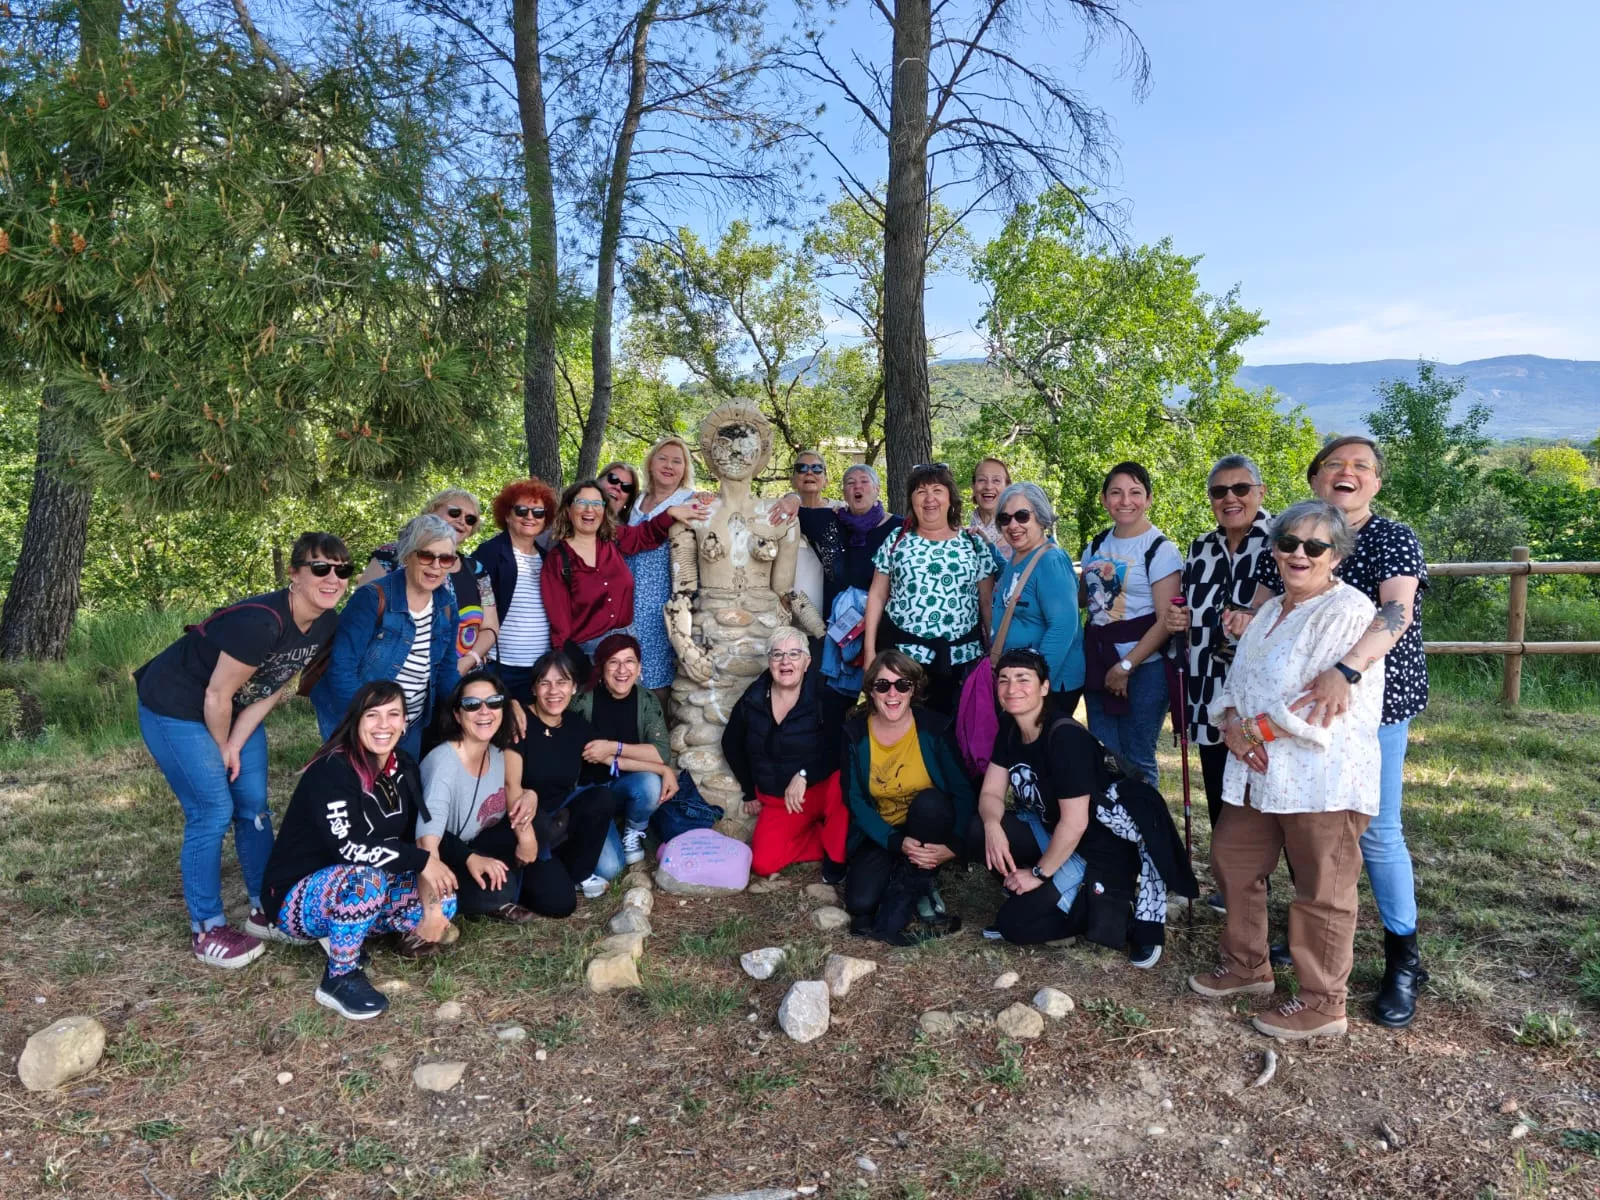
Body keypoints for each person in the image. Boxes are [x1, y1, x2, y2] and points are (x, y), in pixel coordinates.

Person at [1187, 500, 1381, 1040]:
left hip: (1319, 775)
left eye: (1314, 546)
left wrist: (1257, 731)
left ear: (1335, 555)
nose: (1299, 554)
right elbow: (1239, 680)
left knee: (1322, 888)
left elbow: (1321, 698)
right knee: (1233, 859)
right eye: (1289, 542)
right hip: (1255, 770)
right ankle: (1247, 966)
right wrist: (1229, 723)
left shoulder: (1347, 611)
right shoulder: (1271, 611)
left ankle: (1323, 1002)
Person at [136, 531, 352, 968]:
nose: (333, 578)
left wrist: (236, 742)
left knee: (253, 805)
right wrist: (221, 749)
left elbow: (274, 687)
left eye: (341, 570)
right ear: (294, 574)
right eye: (320, 568)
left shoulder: (327, 622)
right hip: (177, 704)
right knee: (212, 809)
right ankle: (207, 928)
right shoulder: (262, 622)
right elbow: (216, 695)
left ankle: (267, 907)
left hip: (233, 708)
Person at [1306, 435, 1431, 1028]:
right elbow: (1267, 608)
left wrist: (1347, 670)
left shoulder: (1391, 538)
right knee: (1320, 825)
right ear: (1315, 479)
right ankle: (1323, 941)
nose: (1346, 473)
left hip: (1372, 707)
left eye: (1360, 467)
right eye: (1334, 464)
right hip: (1313, 708)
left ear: (1376, 484)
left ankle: (1403, 960)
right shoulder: (1305, 533)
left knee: (1378, 831)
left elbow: (1396, 614)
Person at [261, 681, 458, 1019]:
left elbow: (417, 833)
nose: (384, 725)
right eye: (373, 715)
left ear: (405, 722)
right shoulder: (333, 769)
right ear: (356, 720)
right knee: (366, 881)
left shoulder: (404, 766)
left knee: (445, 898)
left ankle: (348, 931)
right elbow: (348, 848)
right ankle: (338, 977)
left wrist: (437, 893)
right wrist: (421, 861)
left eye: (393, 714)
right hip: (297, 895)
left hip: (366, 882)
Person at [1162, 455, 1281, 913]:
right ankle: (1236, 885)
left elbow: (1271, 619)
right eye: (1219, 491)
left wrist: (1212, 628)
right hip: (1208, 687)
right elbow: (1191, 616)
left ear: (1260, 491)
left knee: (1266, 788)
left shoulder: (1283, 541)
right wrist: (1179, 621)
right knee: (1220, 787)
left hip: (1260, 692)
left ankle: (1267, 889)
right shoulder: (1200, 548)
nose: (1230, 498)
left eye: (1240, 489)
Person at [840, 651, 973, 942]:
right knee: (861, 906)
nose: (892, 693)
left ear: (913, 690)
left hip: (929, 823)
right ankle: (903, 863)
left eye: (902, 685)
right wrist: (894, 841)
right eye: (882, 685)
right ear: (870, 691)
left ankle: (922, 878)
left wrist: (955, 844)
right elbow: (855, 800)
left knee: (930, 802)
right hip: (884, 830)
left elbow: (963, 791)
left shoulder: (934, 728)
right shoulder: (854, 734)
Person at [311, 514, 461, 759]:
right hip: (356, 717)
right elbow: (342, 667)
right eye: (426, 555)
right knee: (359, 790)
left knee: (396, 792)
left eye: (445, 558)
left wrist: (472, 704)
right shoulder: (372, 598)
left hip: (408, 723)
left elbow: (446, 671)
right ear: (407, 555)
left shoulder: (446, 606)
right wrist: (371, 720)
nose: (436, 566)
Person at [1080, 461, 1183, 787]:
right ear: (1103, 499)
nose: (1126, 501)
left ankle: (1145, 834)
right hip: (1098, 661)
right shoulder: (1096, 545)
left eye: (1135, 492)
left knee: (1137, 759)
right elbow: (1085, 600)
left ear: (1149, 499)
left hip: (1145, 669)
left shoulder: (1159, 550)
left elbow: (1167, 620)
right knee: (1104, 754)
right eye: (1116, 492)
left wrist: (1126, 666)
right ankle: (1113, 833)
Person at [865, 462, 997, 715]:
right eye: (920, 491)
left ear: (950, 498)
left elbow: (986, 602)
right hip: (903, 661)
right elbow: (877, 595)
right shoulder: (896, 540)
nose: (929, 499)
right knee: (909, 733)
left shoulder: (973, 543)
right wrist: (870, 652)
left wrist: (994, 653)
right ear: (911, 500)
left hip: (964, 660)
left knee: (960, 735)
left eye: (937, 490)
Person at [541, 478, 706, 674]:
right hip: (589, 656)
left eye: (596, 504)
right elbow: (559, 624)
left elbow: (645, 535)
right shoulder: (558, 560)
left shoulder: (613, 539)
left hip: (627, 646)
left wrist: (670, 513)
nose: (589, 510)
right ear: (568, 510)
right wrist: (564, 668)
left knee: (629, 703)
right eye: (582, 503)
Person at [722, 627, 849, 879]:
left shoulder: (825, 696)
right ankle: (827, 838)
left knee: (841, 783)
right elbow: (730, 742)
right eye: (777, 655)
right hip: (783, 801)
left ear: (807, 662)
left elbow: (840, 749)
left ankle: (837, 858)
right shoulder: (754, 697)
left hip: (820, 790)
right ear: (769, 661)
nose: (785, 661)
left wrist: (804, 774)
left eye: (794, 654)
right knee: (763, 863)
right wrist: (749, 789)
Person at [418, 670, 541, 925]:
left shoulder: (496, 753)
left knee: (541, 825)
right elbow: (426, 843)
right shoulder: (444, 764)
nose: (485, 711)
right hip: (444, 853)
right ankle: (496, 892)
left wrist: (531, 795)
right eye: (472, 705)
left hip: (479, 840)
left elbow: (512, 791)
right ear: (457, 715)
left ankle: (499, 886)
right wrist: (468, 858)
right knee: (494, 890)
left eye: (494, 702)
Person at [506, 650, 621, 906]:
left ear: (573, 688)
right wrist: (524, 838)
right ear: (534, 689)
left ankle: (577, 871)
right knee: (560, 904)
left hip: (561, 819)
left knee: (601, 797)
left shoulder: (576, 726)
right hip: (528, 822)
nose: (553, 691)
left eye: (562, 682)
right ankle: (536, 869)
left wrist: (663, 770)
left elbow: (609, 756)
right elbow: (509, 785)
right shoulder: (519, 723)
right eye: (544, 683)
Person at [357, 488, 500, 676]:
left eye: (470, 519)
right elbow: (361, 616)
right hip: (391, 679)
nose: (462, 521)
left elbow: (490, 627)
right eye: (454, 512)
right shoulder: (391, 555)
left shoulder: (477, 571)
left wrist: (468, 661)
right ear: (432, 510)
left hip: (461, 682)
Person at [570, 633, 678, 878]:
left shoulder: (647, 700)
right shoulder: (582, 701)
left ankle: (633, 830)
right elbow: (585, 752)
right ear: (601, 668)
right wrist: (608, 756)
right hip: (590, 793)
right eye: (613, 662)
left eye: (629, 661)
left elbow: (660, 752)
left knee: (651, 784)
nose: (622, 670)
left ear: (639, 668)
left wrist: (613, 748)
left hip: (624, 786)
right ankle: (595, 830)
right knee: (611, 869)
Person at [991, 481, 1085, 710]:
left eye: (1022, 516)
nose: (1013, 525)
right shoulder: (1016, 558)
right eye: (1005, 518)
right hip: (1020, 681)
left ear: (1041, 517)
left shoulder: (1051, 561)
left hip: (1047, 686)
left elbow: (1063, 627)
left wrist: (1036, 682)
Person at [626, 436, 702, 695]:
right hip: (629, 604)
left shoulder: (691, 500)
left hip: (664, 603)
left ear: (685, 469)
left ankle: (659, 733)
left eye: (677, 461)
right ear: (650, 464)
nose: (669, 465)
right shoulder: (635, 502)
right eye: (663, 458)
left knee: (660, 681)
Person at [475, 478, 559, 704]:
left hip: (540, 669)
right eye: (521, 510)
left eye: (538, 512)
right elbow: (471, 605)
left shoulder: (547, 559)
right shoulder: (490, 554)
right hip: (500, 666)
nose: (530, 517)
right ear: (507, 514)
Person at [967, 457, 1013, 561]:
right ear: (973, 487)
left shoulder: (1020, 531)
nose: (988, 486)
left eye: (996, 480)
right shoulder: (963, 535)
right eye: (982, 480)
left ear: (1008, 487)